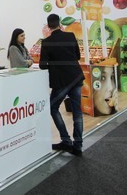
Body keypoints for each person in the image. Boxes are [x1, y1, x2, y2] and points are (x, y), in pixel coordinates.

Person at [39, 13, 85, 157]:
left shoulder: (46, 42)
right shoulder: (70, 36)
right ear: (59, 24)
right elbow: (77, 56)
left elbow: (42, 65)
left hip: (61, 81)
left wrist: (54, 64)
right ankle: (78, 146)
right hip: (76, 77)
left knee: (53, 107)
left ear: (48, 26)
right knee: (77, 112)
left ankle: (66, 140)